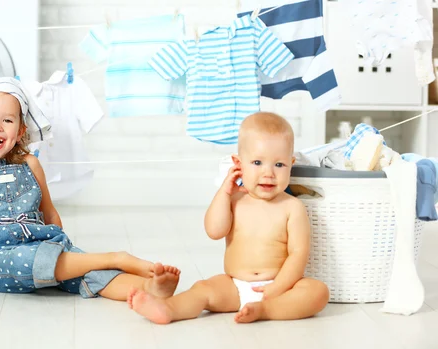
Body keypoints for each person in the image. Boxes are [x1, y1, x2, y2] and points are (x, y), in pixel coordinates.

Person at [0, 77, 180, 301]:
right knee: (41, 262)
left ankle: (149, 287)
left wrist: (65, 247)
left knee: (85, 273)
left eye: (7, 120)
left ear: (20, 130)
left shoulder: (30, 164)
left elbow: (49, 213)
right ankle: (116, 257)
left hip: (43, 244)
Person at [127, 112, 329, 323]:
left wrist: (278, 287)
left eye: (279, 165)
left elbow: (298, 254)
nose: (268, 173)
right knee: (203, 289)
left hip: (280, 287)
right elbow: (214, 231)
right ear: (238, 164)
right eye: (257, 162)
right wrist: (224, 193)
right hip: (234, 286)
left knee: (317, 291)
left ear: (291, 163)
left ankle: (266, 310)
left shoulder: (292, 207)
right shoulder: (234, 201)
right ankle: (168, 308)